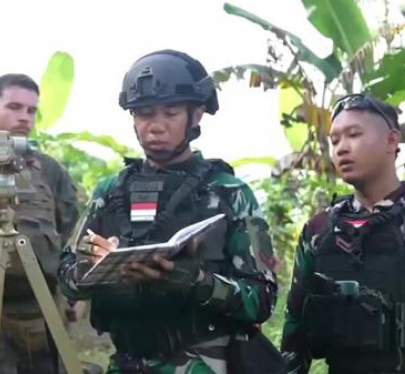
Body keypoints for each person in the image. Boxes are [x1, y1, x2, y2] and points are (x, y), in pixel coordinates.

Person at [57, 49, 280, 374]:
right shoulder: (109, 192)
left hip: (203, 364)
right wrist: (92, 267)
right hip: (127, 362)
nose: (156, 126)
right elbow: (66, 278)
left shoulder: (228, 193)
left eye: (171, 113)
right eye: (144, 114)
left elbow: (262, 298)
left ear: (197, 115)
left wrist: (191, 280)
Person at [0, 73, 101, 374]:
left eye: (31, 110)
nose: (24, 117)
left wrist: (77, 291)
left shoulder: (49, 170)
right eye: (14, 107)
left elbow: (72, 233)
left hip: (45, 310)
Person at [281, 94, 405, 374]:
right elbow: (295, 329)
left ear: (392, 141)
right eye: (334, 141)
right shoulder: (320, 230)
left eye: (354, 135)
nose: (342, 148)